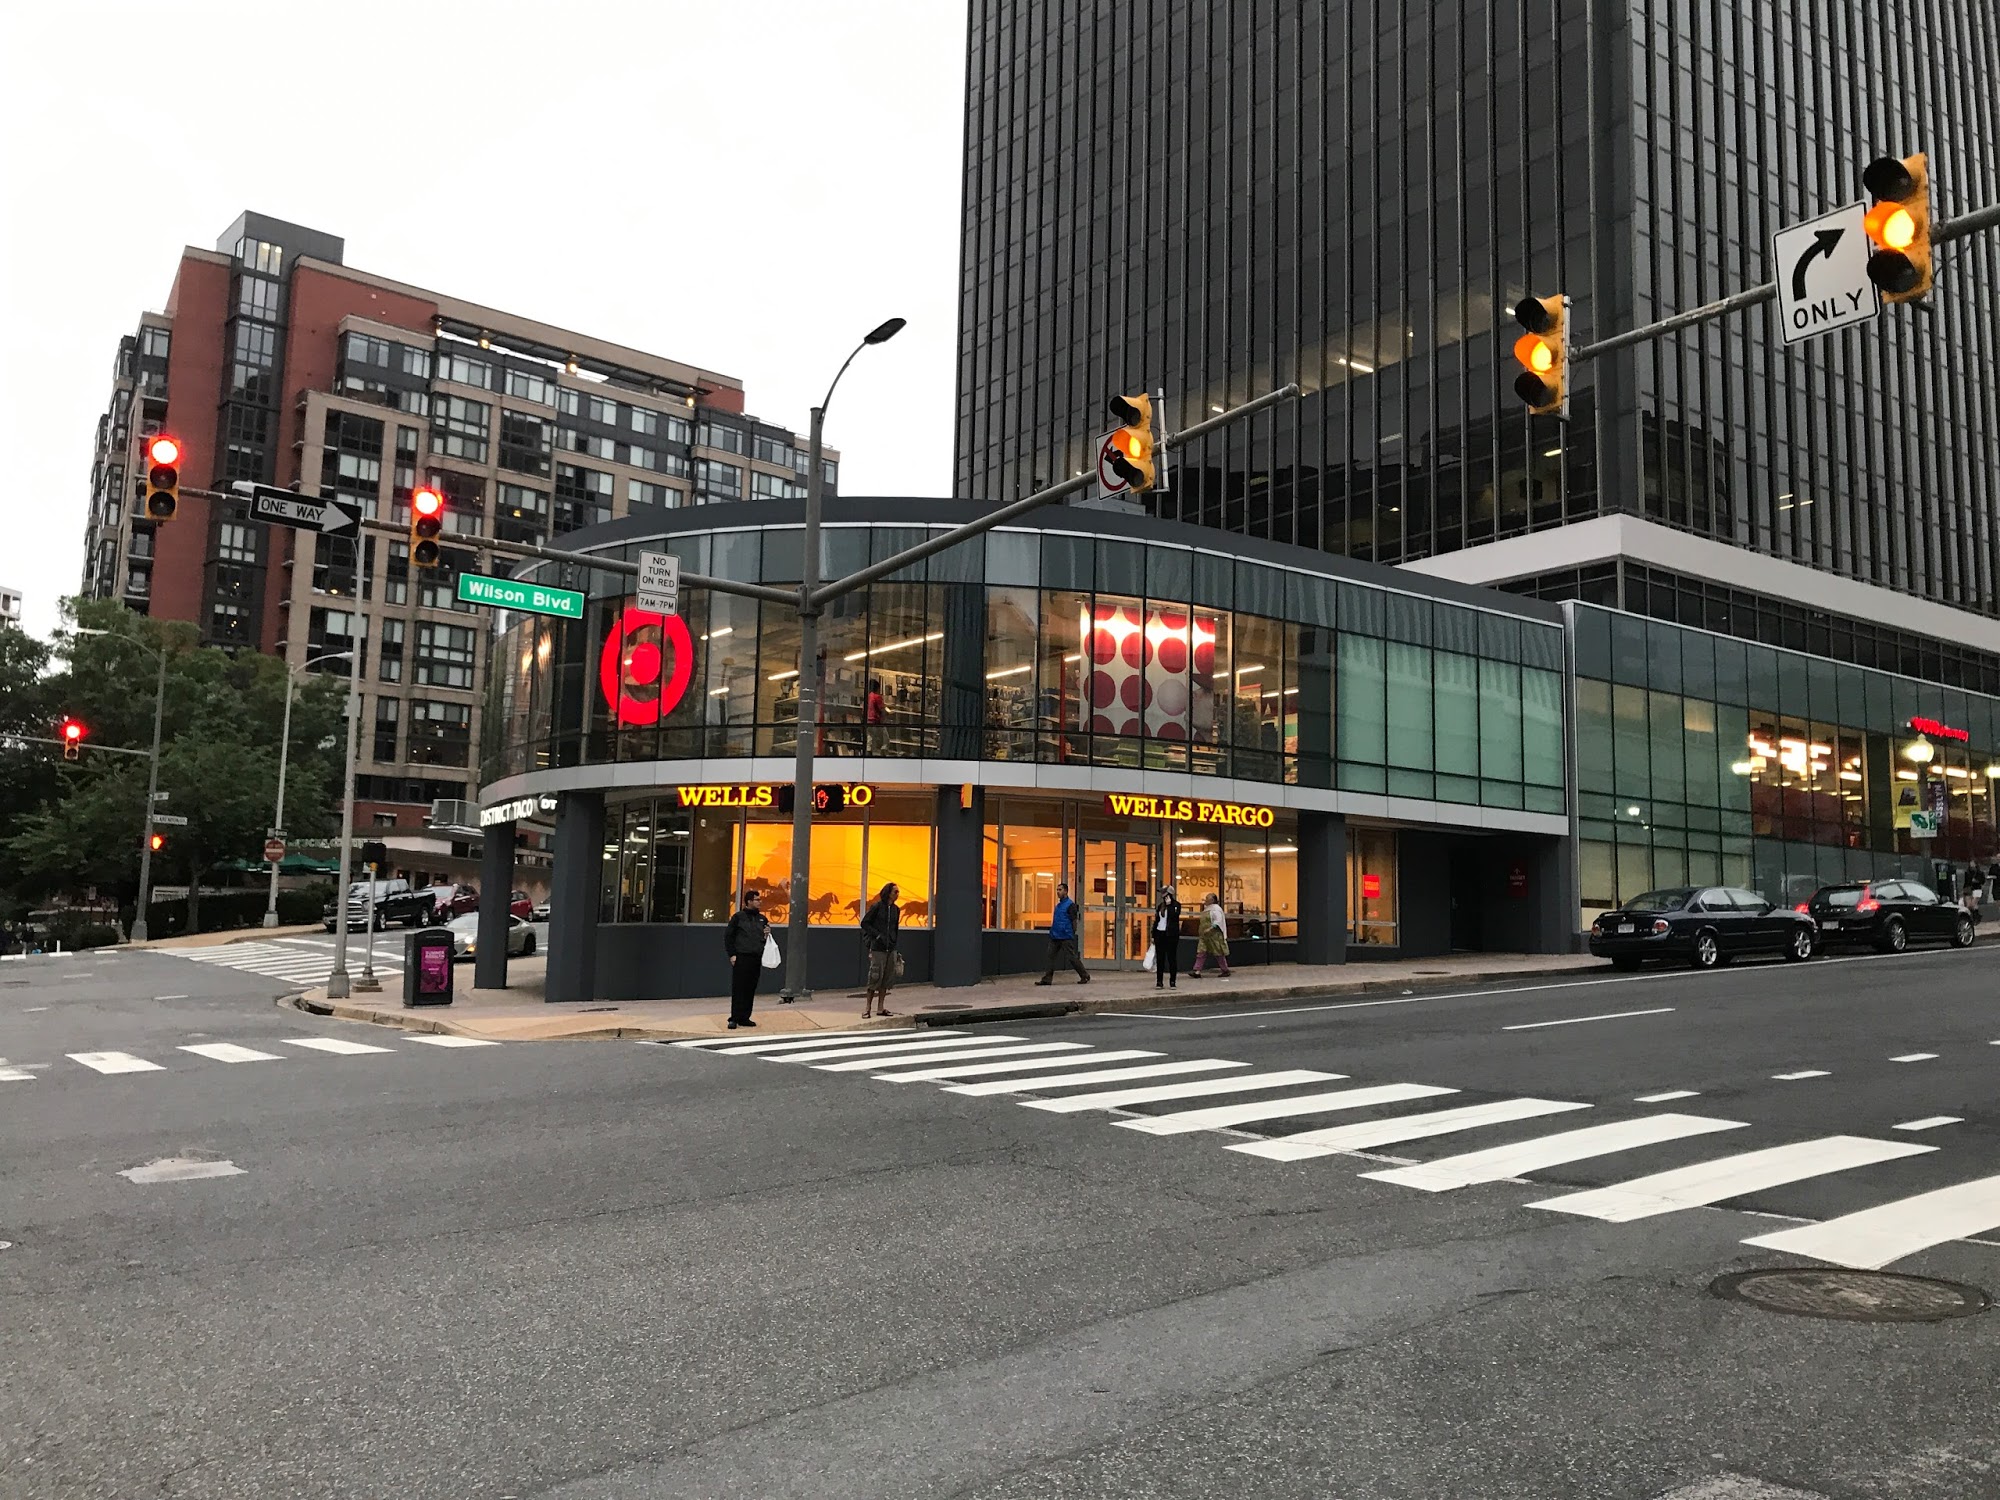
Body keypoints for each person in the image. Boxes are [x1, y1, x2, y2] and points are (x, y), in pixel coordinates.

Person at [722, 889, 771, 1030]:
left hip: (756, 957)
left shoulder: (762, 919)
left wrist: (766, 934)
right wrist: (732, 954)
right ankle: (734, 1018)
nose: (760, 902)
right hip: (742, 956)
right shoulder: (738, 917)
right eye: (757, 899)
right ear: (749, 901)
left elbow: (764, 939)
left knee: (751, 987)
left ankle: (745, 1017)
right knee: (739, 988)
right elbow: (728, 937)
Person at [1035, 882, 1090, 985]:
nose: (1058, 892)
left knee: (1072, 957)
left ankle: (1084, 975)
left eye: (1060, 890)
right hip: (1055, 935)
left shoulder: (1070, 905)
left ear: (1066, 891)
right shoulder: (1058, 906)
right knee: (1050, 957)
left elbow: (1074, 921)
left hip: (1065, 936)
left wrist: (1072, 932)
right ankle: (1047, 979)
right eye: (1057, 890)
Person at [860, 881, 900, 1019]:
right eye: (895, 892)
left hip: (890, 948)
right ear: (888, 893)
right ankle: (867, 1008)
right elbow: (865, 923)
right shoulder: (877, 907)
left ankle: (880, 1007)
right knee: (874, 977)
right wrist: (877, 936)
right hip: (878, 948)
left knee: (886, 979)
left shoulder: (896, 910)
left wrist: (894, 942)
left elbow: (895, 928)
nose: (897, 894)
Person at [1190, 892, 1232, 978]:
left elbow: (1218, 921)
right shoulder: (1207, 909)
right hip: (1205, 935)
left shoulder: (1216, 909)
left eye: (1207, 899)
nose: (1205, 900)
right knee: (1201, 952)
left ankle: (1225, 970)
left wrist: (1210, 928)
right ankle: (1197, 970)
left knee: (1218, 953)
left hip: (1214, 935)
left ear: (1212, 900)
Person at [1151, 886, 1182, 989]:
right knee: (1160, 959)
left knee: (1171, 958)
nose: (1163, 895)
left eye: (1164, 893)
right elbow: (1157, 920)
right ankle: (1159, 981)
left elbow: (1174, 917)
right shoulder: (1160, 906)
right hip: (1160, 934)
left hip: (1171, 935)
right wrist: (1153, 934)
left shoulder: (1176, 905)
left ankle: (1172, 981)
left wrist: (1169, 906)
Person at [866, 678, 888, 753]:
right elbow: (882, 709)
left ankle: (868, 753)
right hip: (876, 722)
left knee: (870, 740)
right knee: (885, 740)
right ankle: (883, 753)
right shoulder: (877, 697)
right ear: (877, 688)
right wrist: (887, 713)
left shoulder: (868, 696)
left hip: (868, 721)